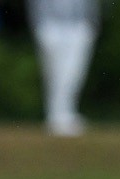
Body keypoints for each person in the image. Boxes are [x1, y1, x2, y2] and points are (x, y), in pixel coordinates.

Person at [27, 0, 100, 136]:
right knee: (53, 74)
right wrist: (39, 26)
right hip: (50, 25)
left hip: (78, 26)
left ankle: (65, 113)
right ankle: (56, 116)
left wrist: (91, 24)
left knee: (73, 73)